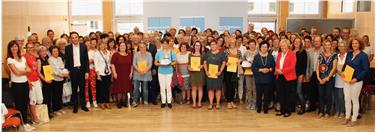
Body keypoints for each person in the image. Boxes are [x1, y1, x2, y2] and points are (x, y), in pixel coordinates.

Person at [7, 40, 35, 131]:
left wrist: (26, 77)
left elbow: (29, 70)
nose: (14, 48)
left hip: (25, 84)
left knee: (25, 103)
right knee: (19, 105)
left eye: (15, 46)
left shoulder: (22, 58)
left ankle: (25, 123)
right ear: (10, 49)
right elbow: (16, 72)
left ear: (18, 48)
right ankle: (20, 125)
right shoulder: (10, 59)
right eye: (12, 47)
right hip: (16, 85)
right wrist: (24, 71)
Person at [342, 39, 370, 127]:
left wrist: (356, 79)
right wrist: (343, 73)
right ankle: (347, 117)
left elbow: (366, 70)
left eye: (356, 43)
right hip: (347, 80)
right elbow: (345, 65)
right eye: (353, 43)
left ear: (360, 44)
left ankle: (354, 119)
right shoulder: (349, 54)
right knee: (347, 98)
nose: (354, 45)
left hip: (356, 81)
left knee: (354, 100)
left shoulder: (364, 55)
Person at [64, 32, 90, 113]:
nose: (74, 39)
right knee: (74, 89)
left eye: (76, 37)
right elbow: (67, 61)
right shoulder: (67, 48)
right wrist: (67, 71)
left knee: (82, 88)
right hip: (73, 71)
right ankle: (75, 106)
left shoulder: (83, 46)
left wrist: (87, 71)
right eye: (73, 37)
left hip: (82, 70)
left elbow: (86, 60)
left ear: (78, 38)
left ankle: (83, 105)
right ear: (70, 39)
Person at [316, 40, 337, 119]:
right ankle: (321, 111)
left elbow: (334, 68)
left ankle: (327, 112)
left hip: (329, 79)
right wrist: (318, 77)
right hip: (321, 78)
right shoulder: (321, 55)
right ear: (323, 46)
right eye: (325, 45)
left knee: (328, 95)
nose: (327, 46)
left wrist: (328, 77)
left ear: (331, 45)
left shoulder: (334, 55)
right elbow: (317, 67)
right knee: (321, 95)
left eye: (328, 45)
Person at [252, 41, 275, 113]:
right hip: (259, 78)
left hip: (268, 78)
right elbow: (253, 68)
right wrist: (261, 70)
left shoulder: (271, 56)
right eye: (263, 47)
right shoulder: (256, 57)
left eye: (266, 47)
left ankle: (265, 108)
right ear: (260, 48)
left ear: (268, 48)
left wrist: (269, 69)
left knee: (267, 94)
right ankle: (258, 108)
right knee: (259, 94)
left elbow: (274, 66)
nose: (264, 48)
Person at [275, 39, 297, 117]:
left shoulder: (292, 54)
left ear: (288, 46)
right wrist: (277, 70)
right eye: (281, 46)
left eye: (284, 45)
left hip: (289, 77)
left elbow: (292, 66)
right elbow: (277, 64)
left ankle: (288, 111)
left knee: (288, 95)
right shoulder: (280, 54)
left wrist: (282, 71)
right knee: (281, 94)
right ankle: (282, 110)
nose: (283, 47)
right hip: (280, 76)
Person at [23, 42, 43, 124]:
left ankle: (34, 115)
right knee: (33, 100)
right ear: (26, 48)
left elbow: (37, 70)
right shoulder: (24, 57)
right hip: (30, 81)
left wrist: (40, 80)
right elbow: (24, 71)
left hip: (36, 80)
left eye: (31, 47)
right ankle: (34, 118)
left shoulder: (35, 57)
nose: (30, 49)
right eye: (28, 47)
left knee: (40, 99)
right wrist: (28, 81)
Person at [203, 40, 226, 110]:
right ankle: (211, 103)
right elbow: (204, 63)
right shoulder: (207, 53)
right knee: (210, 89)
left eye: (214, 44)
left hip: (218, 74)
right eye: (211, 44)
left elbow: (224, 63)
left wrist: (220, 71)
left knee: (218, 89)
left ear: (217, 45)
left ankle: (218, 103)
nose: (212, 46)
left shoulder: (222, 53)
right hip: (209, 74)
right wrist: (206, 71)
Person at [154, 39, 177, 109]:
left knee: (169, 87)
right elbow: (155, 63)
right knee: (162, 87)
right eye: (163, 44)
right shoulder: (158, 53)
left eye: (166, 44)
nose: (165, 45)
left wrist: (169, 64)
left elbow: (175, 62)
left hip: (169, 71)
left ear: (168, 44)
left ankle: (169, 102)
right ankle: (163, 102)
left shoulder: (171, 52)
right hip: (161, 72)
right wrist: (160, 64)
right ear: (161, 45)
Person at [111, 42, 133, 108]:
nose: (123, 47)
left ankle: (124, 102)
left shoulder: (130, 55)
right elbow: (112, 64)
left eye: (124, 45)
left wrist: (131, 73)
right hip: (118, 74)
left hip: (127, 74)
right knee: (119, 89)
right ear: (119, 47)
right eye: (121, 46)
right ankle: (119, 102)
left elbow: (132, 65)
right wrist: (114, 73)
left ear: (126, 47)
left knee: (125, 88)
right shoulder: (115, 55)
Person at [48, 46, 68, 115]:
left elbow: (62, 67)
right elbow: (51, 70)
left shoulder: (59, 58)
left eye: (57, 51)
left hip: (61, 78)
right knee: (55, 95)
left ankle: (60, 108)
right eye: (54, 51)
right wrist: (59, 74)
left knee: (60, 94)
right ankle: (55, 110)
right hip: (55, 79)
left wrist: (65, 73)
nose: (56, 52)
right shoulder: (50, 59)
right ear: (51, 52)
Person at [132, 43, 153, 107]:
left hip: (146, 73)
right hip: (137, 73)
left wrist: (145, 71)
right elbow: (134, 64)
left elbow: (150, 64)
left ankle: (145, 101)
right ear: (139, 47)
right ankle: (135, 101)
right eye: (140, 47)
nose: (142, 48)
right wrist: (139, 71)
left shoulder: (149, 54)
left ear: (146, 47)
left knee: (145, 88)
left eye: (143, 47)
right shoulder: (136, 54)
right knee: (136, 88)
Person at [94, 41, 112, 109]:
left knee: (107, 89)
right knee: (101, 89)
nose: (103, 46)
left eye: (104, 44)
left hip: (108, 73)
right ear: (99, 46)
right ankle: (101, 102)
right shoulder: (97, 53)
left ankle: (107, 102)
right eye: (101, 45)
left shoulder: (108, 52)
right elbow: (96, 64)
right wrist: (98, 75)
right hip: (100, 73)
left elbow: (109, 62)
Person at [224, 38, 241, 109]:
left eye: (233, 42)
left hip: (235, 70)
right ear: (229, 43)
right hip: (228, 71)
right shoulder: (226, 51)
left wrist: (239, 61)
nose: (232, 43)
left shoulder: (239, 51)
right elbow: (224, 60)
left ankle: (232, 101)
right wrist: (226, 63)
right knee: (228, 86)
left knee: (234, 86)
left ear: (235, 43)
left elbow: (241, 59)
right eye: (231, 42)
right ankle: (228, 102)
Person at [292, 37, 307, 115]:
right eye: (295, 41)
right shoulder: (291, 51)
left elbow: (304, 64)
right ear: (293, 42)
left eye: (298, 42)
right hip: (291, 74)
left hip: (299, 74)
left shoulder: (303, 52)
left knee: (299, 91)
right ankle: (294, 107)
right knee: (293, 91)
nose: (297, 43)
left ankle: (303, 107)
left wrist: (302, 75)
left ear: (301, 43)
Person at [37, 46, 53, 117]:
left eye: (45, 51)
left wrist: (50, 78)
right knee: (45, 98)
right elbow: (38, 72)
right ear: (39, 53)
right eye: (42, 51)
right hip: (44, 81)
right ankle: (45, 115)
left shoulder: (46, 59)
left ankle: (48, 113)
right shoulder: (39, 60)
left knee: (49, 97)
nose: (44, 52)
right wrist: (45, 80)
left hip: (49, 80)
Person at [188, 41, 205, 108]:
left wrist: (202, 66)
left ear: (200, 47)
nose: (197, 47)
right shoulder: (190, 55)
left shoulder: (203, 54)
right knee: (194, 88)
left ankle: (199, 102)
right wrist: (189, 68)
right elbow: (188, 64)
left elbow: (205, 64)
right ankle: (194, 103)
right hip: (193, 73)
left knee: (200, 88)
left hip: (200, 73)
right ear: (194, 46)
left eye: (198, 45)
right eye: (196, 45)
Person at [243, 39, 257, 110]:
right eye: (250, 44)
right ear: (248, 45)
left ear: (255, 45)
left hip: (256, 73)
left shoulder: (258, 53)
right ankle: (250, 102)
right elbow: (243, 61)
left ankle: (254, 103)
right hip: (247, 72)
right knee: (248, 88)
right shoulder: (246, 53)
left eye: (253, 44)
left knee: (254, 88)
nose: (252, 46)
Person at [334, 41, 347, 118]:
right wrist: (338, 72)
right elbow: (333, 67)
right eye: (340, 46)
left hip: (345, 78)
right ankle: (337, 111)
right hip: (336, 78)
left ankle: (342, 111)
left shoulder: (348, 56)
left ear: (345, 47)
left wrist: (343, 73)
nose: (341, 48)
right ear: (338, 47)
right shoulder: (336, 56)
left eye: (343, 46)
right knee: (337, 96)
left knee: (342, 96)